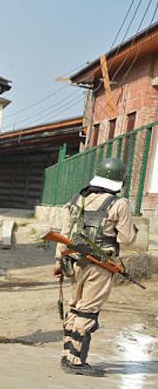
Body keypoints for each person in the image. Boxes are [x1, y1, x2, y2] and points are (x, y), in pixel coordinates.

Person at [53, 156, 137, 376]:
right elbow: (127, 239)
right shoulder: (119, 203)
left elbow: (64, 233)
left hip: (74, 261)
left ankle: (67, 355)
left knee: (75, 306)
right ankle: (75, 361)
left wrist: (57, 261)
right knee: (88, 311)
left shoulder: (78, 198)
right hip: (100, 265)